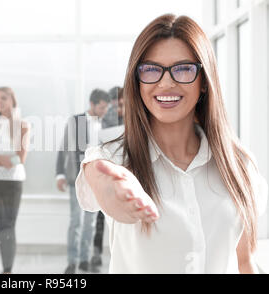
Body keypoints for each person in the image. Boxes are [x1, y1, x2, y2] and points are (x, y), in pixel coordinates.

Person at [75, 14, 268, 274]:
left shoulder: (239, 165)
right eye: (151, 70)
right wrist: (112, 190)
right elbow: (99, 176)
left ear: (203, 82)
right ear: (137, 81)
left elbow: (244, 262)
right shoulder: (114, 159)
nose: (166, 83)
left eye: (183, 68)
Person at [56, 88, 110, 274]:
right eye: (102, 107)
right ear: (92, 104)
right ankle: (72, 262)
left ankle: (85, 260)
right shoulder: (75, 121)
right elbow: (63, 148)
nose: (104, 111)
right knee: (76, 221)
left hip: (97, 179)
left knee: (91, 223)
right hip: (76, 178)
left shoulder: (107, 125)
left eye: (106, 108)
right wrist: (60, 174)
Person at [0, 87, 30, 274]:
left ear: (12, 101)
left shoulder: (22, 125)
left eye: (3, 98)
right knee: (1, 225)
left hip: (12, 182)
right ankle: (5, 267)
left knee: (9, 224)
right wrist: (3, 159)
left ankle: (7, 269)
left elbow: (19, 160)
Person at [91, 86, 125, 270]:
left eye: (119, 103)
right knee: (99, 218)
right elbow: (97, 141)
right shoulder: (105, 119)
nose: (116, 107)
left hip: (125, 171)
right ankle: (96, 253)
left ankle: (120, 254)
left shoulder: (132, 116)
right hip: (106, 169)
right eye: (114, 103)